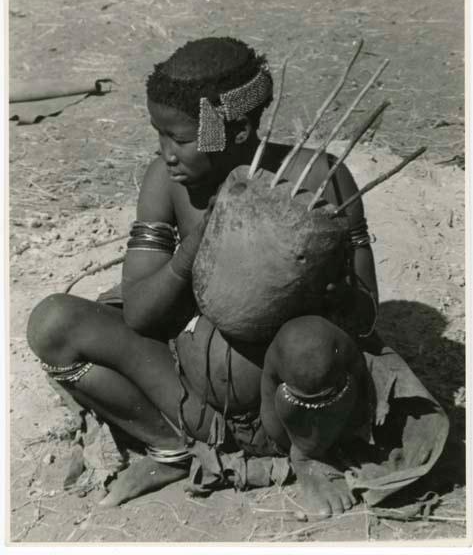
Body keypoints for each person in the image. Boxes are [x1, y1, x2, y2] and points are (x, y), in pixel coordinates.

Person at [27, 37, 449, 515]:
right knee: (53, 323)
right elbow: (142, 316)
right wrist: (198, 245)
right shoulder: (165, 184)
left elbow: (366, 320)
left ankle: (308, 458)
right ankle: (169, 448)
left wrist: (332, 293)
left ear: (241, 128)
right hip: (186, 393)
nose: (166, 152)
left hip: (283, 403)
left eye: (181, 140)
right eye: (159, 135)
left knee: (311, 346)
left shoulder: (320, 179)